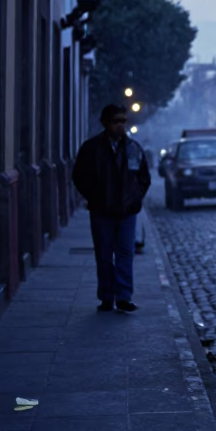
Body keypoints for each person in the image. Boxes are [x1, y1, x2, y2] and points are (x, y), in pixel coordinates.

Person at [72, 104, 151, 312]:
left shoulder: (133, 148)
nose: (121, 126)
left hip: (127, 212)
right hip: (102, 211)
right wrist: (95, 197)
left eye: (124, 121)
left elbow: (144, 177)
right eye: (117, 121)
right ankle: (107, 296)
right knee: (104, 255)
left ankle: (124, 297)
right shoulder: (92, 148)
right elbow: (79, 176)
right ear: (106, 123)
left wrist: (135, 198)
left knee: (126, 253)